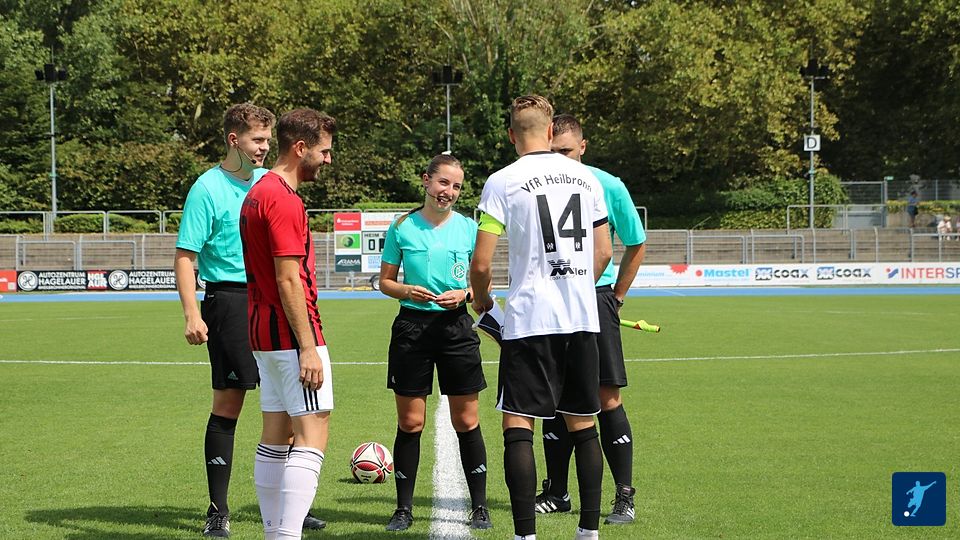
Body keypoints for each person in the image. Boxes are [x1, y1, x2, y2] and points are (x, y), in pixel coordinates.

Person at [470, 95, 613, 540]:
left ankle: (525, 535)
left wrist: (482, 301)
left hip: (531, 319)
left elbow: (481, 263)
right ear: (551, 132)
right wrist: (576, 289)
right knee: (583, 424)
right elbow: (604, 252)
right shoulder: (587, 179)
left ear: (511, 135)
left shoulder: (502, 181)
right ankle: (588, 531)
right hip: (581, 319)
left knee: (518, 425)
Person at [535, 113, 646, 525]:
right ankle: (557, 492)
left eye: (565, 151)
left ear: (583, 147)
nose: (558, 158)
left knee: (606, 397)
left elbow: (636, 243)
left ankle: (624, 496)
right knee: (554, 396)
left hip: (595, 298)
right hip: (551, 299)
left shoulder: (608, 185)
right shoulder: (537, 184)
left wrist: (617, 297)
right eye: (552, 151)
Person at [377, 154, 492, 532]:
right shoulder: (402, 227)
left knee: (467, 420)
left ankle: (479, 507)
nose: (449, 192)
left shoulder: (470, 229)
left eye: (456, 186)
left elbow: (482, 282)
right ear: (426, 181)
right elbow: (385, 282)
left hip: (456, 329)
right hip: (412, 329)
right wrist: (406, 290)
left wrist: (464, 294)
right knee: (411, 422)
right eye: (443, 182)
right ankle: (403, 509)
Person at [239, 108, 336, 540]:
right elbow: (288, 278)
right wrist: (308, 346)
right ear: (300, 148)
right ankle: (286, 534)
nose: (327, 159)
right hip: (288, 334)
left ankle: (273, 531)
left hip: (262, 332)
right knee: (312, 431)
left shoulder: (257, 192)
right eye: (323, 151)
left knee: (276, 434)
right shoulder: (282, 198)